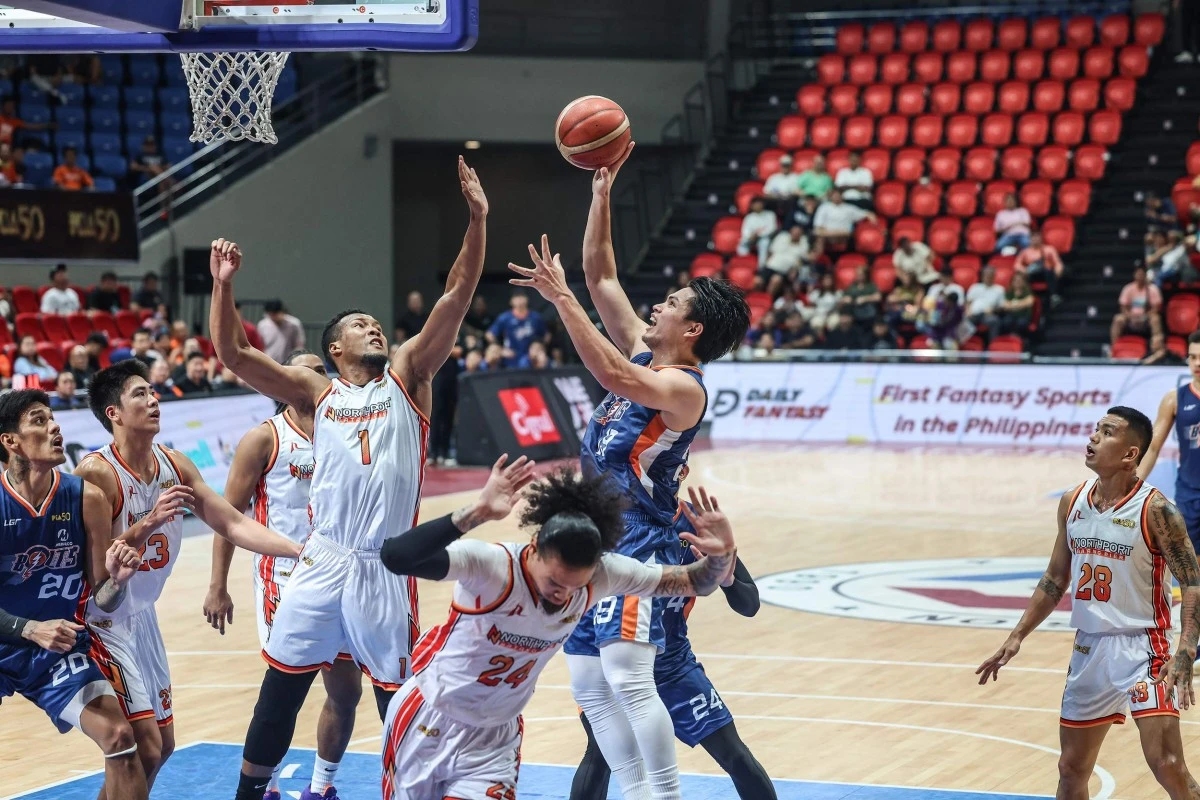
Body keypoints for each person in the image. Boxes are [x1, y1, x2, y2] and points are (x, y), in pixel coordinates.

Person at [209, 155, 488, 800]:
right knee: (281, 687)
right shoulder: (313, 391)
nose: (374, 328)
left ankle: (421, 788)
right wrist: (223, 286)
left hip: (382, 563)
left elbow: (457, 293)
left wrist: (476, 219)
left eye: (375, 323)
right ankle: (251, 793)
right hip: (322, 558)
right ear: (335, 348)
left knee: (398, 700)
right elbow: (231, 353)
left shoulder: (409, 375)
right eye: (359, 325)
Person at [508, 140, 750, 800]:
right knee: (588, 685)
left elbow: (608, 370)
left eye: (670, 303)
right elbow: (600, 274)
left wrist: (560, 302)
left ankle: (662, 795)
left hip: (641, 543)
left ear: (692, 328)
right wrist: (601, 198)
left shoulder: (682, 388)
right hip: (595, 539)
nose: (656, 307)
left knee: (628, 678)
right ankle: (640, 789)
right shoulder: (650, 359)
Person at [377, 463, 740, 800]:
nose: (562, 594)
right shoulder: (493, 566)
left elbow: (695, 582)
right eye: (554, 581)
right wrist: (478, 512)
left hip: (495, 739)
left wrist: (723, 555)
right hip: (430, 716)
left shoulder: (603, 574)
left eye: (573, 587)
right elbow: (395, 556)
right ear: (534, 548)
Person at [75, 360, 301, 799]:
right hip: (102, 620)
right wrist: (147, 523)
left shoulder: (175, 465)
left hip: (142, 617)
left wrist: (297, 549)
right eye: (140, 394)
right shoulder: (97, 474)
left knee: (162, 749)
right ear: (114, 414)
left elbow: (232, 523)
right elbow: (94, 571)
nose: (154, 399)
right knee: (145, 747)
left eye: (153, 392)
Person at [978, 406, 1200, 799]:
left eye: (1107, 432)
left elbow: (1192, 581)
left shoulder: (1157, 510)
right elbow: (1054, 579)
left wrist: (1186, 647)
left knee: (1167, 765)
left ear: (1130, 454)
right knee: (1071, 768)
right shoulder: (1072, 501)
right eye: (1096, 428)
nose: (1094, 436)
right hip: (1089, 646)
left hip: (1144, 648)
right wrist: (1017, 636)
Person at [203, 351, 344, 800]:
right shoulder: (263, 439)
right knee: (285, 694)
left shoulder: (347, 430)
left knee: (346, 690)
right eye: (301, 371)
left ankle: (322, 787)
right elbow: (228, 515)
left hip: (341, 574)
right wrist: (217, 585)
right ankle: (270, 786)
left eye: (320, 371)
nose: (312, 379)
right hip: (284, 577)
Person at [0, 389, 149, 800]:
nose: (55, 426)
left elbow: (102, 601)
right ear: (10, 441)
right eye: (38, 420)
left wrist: (116, 581)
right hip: (12, 637)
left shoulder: (86, 498)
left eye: (53, 417)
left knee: (121, 738)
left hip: (56, 647)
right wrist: (29, 628)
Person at [571, 505, 775, 800]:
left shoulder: (693, 522)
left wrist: (725, 576)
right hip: (617, 655)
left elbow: (750, 603)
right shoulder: (607, 519)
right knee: (600, 756)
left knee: (734, 754)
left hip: (671, 662)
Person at [1138, 331, 1200, 553]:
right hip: (1189, 493)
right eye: (1192, 357)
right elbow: (1153, 447)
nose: (1197, 363)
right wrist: (1134, 486)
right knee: (1192, 566)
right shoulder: (1174, 399)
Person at [487, 292, 548, 367]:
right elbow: (489, 334)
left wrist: (539, 347)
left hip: (530, 356)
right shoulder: (505, 318)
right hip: (511, 355)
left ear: (527, 299)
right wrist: (501, 350)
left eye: (522, 296)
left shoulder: (535, 317)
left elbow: (547, 335)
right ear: (511, 301)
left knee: (541, 360)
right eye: (516, 297)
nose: (519, 300)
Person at [1111, 266, 1164, 352]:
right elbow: (1123, 307)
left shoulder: (1152, 289)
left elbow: (1156, 308)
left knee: (1155, 319)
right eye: (1138, 274)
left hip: (1146, 319)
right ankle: (1114, 348)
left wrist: (1145, 316)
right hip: (1131, 319)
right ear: (1134, 275)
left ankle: (1156, 348)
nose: (1140, 276)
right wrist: (1130, 316)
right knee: (1118, 319)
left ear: (1145, 275)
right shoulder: (1128, 288)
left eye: (1142, 274)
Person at [1014, 230, 1065, 307]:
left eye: (1037, 238)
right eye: (1033, 238)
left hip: (1047, 274)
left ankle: (1054, 296)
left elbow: (1057, 262)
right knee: (1022, 276)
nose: (1035, 240)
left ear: (1041, 239)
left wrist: (1058, 269)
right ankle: (1026, 297)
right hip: (1032, 274)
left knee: (1049, 271)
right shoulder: (1025, 252)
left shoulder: (1049, 249)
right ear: (1030, 239)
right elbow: (1017, 264)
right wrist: (1025, 270)